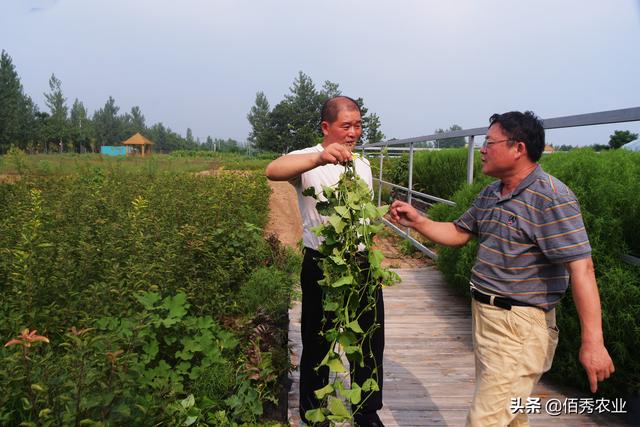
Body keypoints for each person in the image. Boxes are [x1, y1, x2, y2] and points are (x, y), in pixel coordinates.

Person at [390, 111, 615, 427]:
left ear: (518, 148)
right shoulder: (493, 193)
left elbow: (583, 269)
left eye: (489, 142)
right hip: (486, 318)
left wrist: (593, 342)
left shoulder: (551, 197)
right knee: (509, 417)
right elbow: (459, 232)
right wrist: (420, 221)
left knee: (485, 420)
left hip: (519, 326)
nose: (482, 149)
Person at [266, 96, 385, 427]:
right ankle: (314, 411)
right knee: (318, 340)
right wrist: (318, 159)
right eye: (346, 126)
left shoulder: (362, 163)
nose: (353, 132)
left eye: (358, 125)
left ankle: (366, 411)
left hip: (361, 265)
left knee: (369, 342)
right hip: (322, 265)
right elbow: (272, 170)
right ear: (326, 127)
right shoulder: (306, 159)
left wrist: (373, 253)